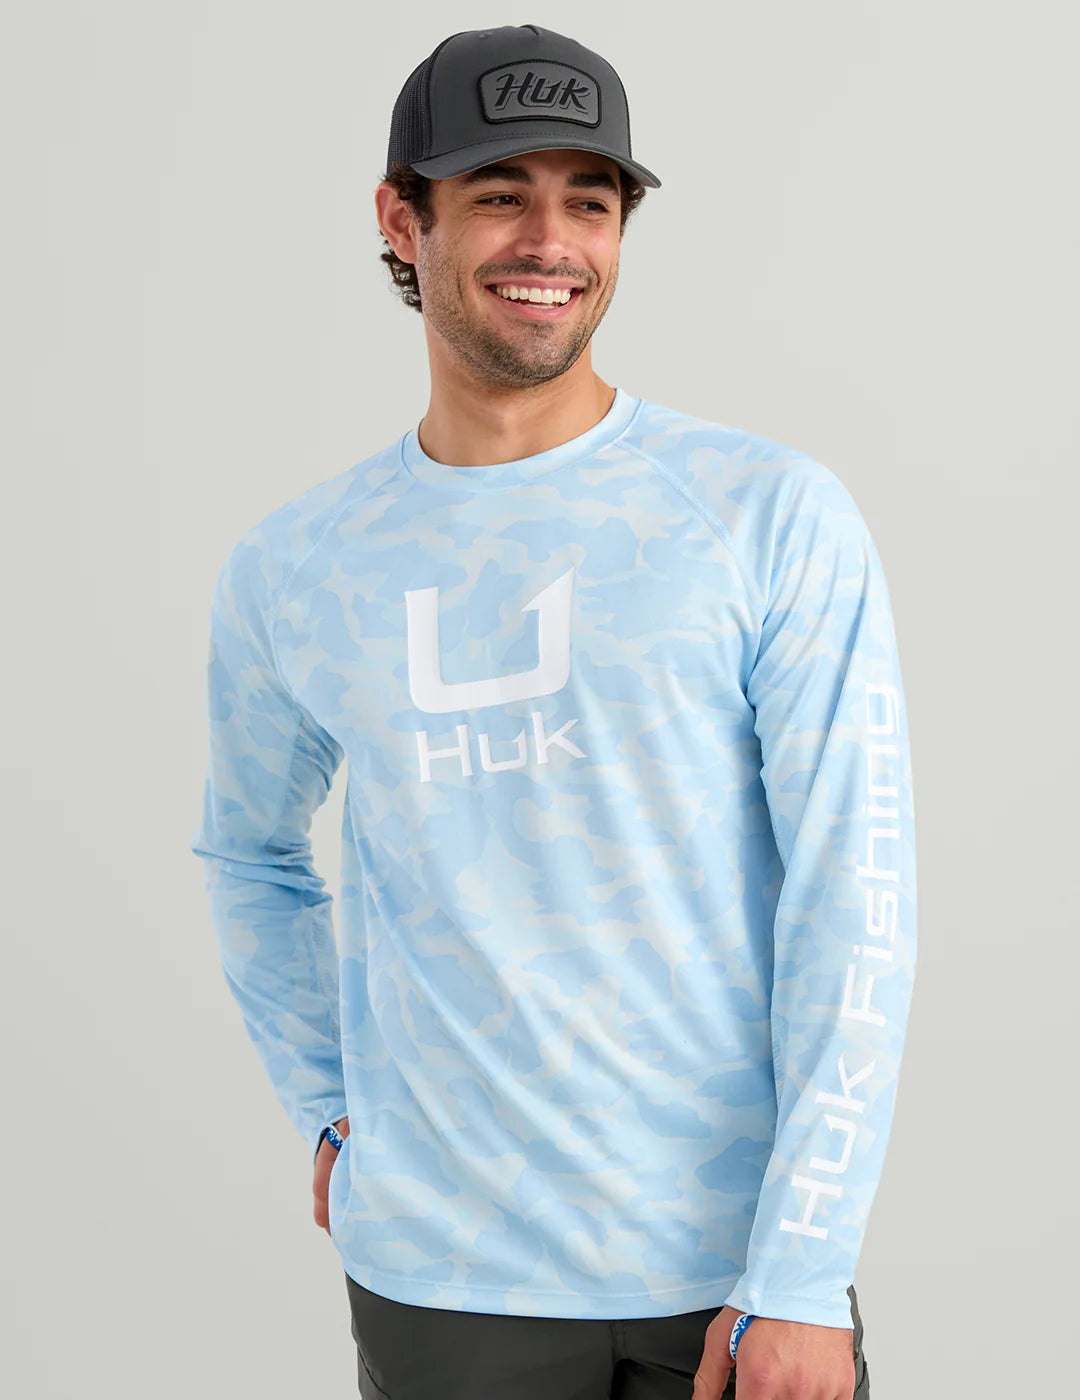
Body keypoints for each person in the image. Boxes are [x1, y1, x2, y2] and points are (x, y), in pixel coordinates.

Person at [190, 23, 915, 1400]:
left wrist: (805, 1268)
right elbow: (249, 852)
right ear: (402, 220)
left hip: (734, 1273)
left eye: (590, 200)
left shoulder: (765, 514)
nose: (550, 241)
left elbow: (855, 899)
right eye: (498, 194)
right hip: (442, 1281)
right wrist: (330, 1107)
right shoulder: (298, 566)